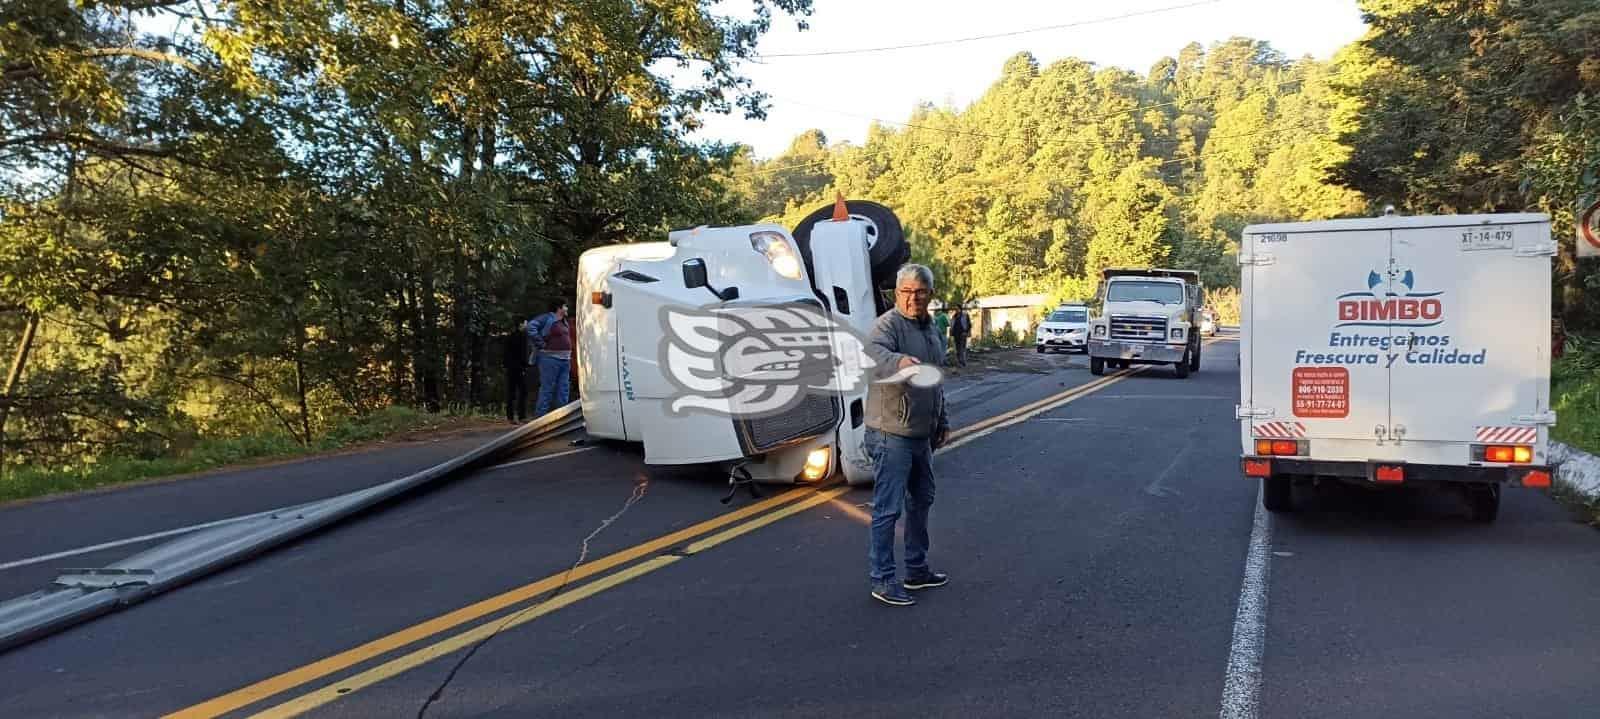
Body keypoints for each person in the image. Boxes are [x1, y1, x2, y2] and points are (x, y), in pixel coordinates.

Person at [862, 264, 951, 607]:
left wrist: (942, 419)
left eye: (920, 291)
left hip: (920, 433)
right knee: (888, 509)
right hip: (891, 432)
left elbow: (935, 379)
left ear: (930, 293)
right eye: (906, 292)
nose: (913, 298)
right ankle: (883, 579)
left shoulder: (931, 330)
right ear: (896, 293)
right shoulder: (888, 325)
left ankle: (916, 569)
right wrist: (899, 362)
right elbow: (872, 353)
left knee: (922, 499)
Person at [528, 301, 573, 416]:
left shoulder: (564, 322)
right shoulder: (547, 318)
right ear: (559, 308)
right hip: (550, 358)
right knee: (547, 388)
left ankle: (562, 418)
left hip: (565, 360)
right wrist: (541, 344)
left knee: (563, 389)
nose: (567, 308)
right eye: (565, 306)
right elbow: (531, 326)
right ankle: (540, 418)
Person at [501, 320, 531, 423]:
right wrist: (525, 365)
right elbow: (523, 353)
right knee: (523, 391)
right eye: (525, 323)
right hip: (519, 367)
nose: (527, 325)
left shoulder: (509, 336)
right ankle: (521, 416)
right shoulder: (523, 336)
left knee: (511, 392)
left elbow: (505, 353)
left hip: (510, 367)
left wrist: (505, 365)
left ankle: (510, 416)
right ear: (521, 324)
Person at [950, 303, 972, 368]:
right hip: (956, 335)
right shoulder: (954, 316)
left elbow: (969, 324)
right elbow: (952, 325)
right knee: (957, 349)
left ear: (960, 309)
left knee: (962, 348)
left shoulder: (965, 315)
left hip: (963, 334)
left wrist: (966, 332)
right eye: (955, 309)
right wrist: (951, 333)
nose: (956, 310)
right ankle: (959, 362)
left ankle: (963, 362)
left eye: (957, 309)